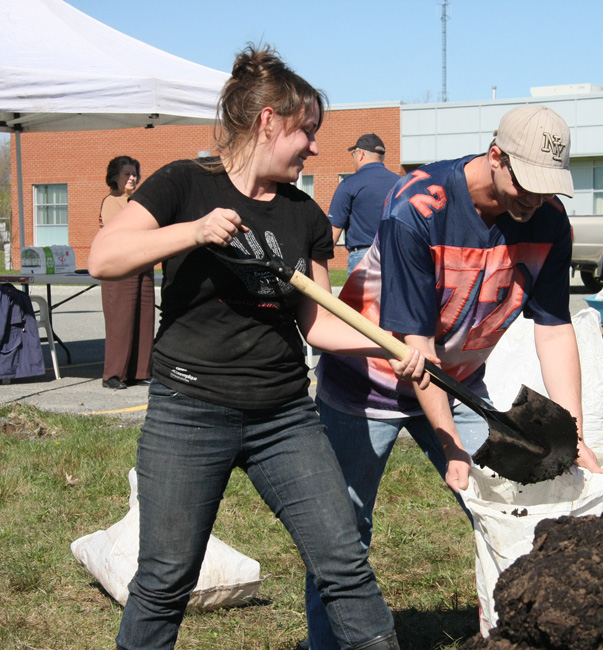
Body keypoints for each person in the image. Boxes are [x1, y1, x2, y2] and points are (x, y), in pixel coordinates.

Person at [88, 44, 426, 650]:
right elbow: (104, 258)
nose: (317, 147)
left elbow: (319, 324)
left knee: (344, 563)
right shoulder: (183, 185)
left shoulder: (303, 215)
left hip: (284, 416)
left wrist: (391, 346)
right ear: (268, 120)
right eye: (308, 132)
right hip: (188, 411)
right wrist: (191, 231)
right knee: (166, 580)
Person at [306, 104, 603, 649]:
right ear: (496, 157)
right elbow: (417, 345)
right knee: (343, 533)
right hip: (366, 380)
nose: (536, 200)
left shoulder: (548, 220)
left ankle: (515, 631)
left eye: (548, 187)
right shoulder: (417, 205)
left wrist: (575, 433)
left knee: (507, 504)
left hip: (461, 381)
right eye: (527, 185)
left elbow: (555, 329)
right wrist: (450, 447)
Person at [98, 155, 155, 390]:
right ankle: (113, 374)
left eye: (135, 174)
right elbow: (118, 233)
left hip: (144, 262)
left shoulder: (140, 201)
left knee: (144, 317)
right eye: (127, 174)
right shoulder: (111, 201)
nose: (132, 178)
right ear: (114, 177)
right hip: (120, 267)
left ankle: (140, 372)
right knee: (120, 321)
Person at [329, 133, 400, 273]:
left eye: (353, 154)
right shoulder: (400, 183)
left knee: (363, 296)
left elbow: (334, 231)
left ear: (360, 154)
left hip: (363, 257)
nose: (354, 159)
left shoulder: (349, 184)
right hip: (394, 256)